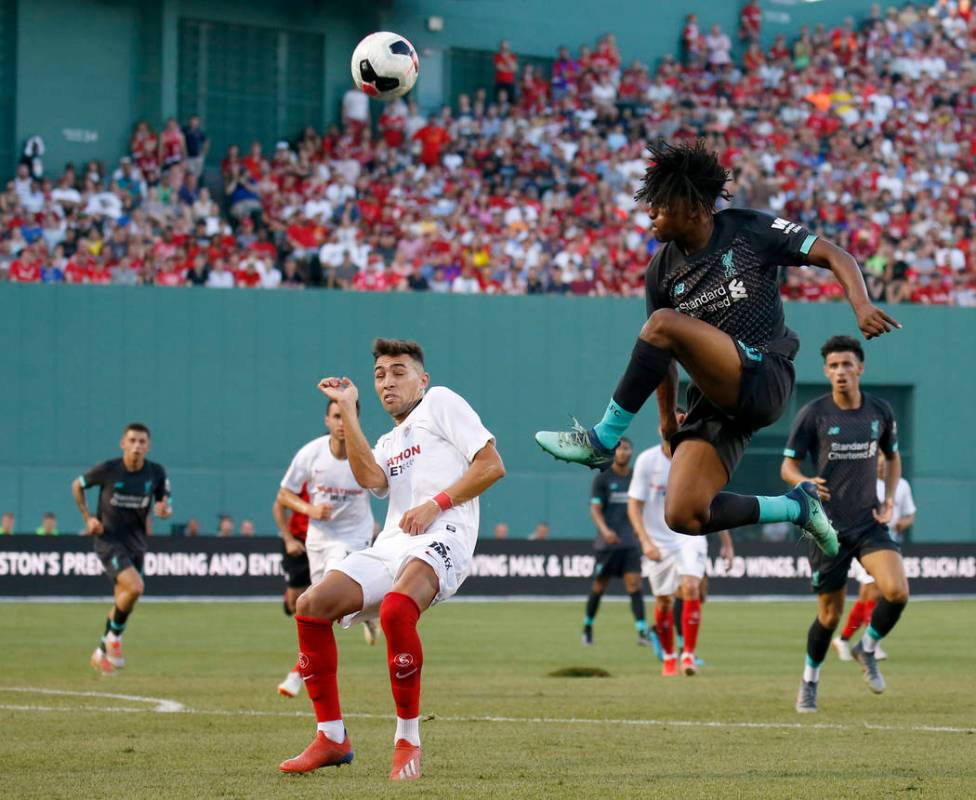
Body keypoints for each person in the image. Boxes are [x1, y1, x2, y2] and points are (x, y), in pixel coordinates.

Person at [536, 140, 902, 559]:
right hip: (715, 399)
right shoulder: (661, 270)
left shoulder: (748, 230)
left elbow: (833, 253)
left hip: (765, 375)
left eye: (660, 205)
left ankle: (602, 439)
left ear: (692, 207)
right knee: (685, 513)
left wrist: (860, 303)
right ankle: (796, 507)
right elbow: (661, 356)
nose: (650, 213)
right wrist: (666, 421)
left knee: (662, 324)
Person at [278, 338, 505, 780]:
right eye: (380, 374)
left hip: (446, 535)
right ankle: (331, 737)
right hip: (394, 544)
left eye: (399, 372)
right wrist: (345, 407)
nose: (387, 382)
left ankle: (408, 740)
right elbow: (371, 479)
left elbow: (492, 465)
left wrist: (436, 503)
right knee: (310, 606)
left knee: (398, 610)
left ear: (423, 379)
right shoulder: (387, 439)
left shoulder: (440, 403)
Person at [782, 336, 909, 712]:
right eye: (834, 366)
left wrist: (888, 500)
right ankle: (809, 680)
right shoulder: (814, 414)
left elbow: (893, 457)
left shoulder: (879, 412)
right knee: (829, 615)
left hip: (868, 522)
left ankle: (865, 647)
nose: (840, 372)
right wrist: (800, 481)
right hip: (827, 529)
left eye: (847, 365)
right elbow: (788, 465)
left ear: (860, 368)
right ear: (826, 371)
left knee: (897, 591)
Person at [274, 398, 379, 699]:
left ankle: (297, 674)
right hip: (318, 540)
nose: (342, 422)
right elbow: (283, 494)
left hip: (353, 540)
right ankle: (368, 611)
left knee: (322, 606)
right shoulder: (311, 453)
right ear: (327, 420)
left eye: (347, 416)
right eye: (336, 416)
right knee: (317, 609)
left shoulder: (368, 455)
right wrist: (308, 509)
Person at [628, 417, 733, 676]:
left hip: (690, 535)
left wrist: (727, 544)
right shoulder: (646, 461)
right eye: (668, 421)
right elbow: (634, 505)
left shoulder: (699, 458)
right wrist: (645, 540)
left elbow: (714, 503)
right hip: (658, 540)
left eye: (680, 421)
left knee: (691, 587)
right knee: (663, 602)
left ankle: (688, 654)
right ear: (660, 427)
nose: (673, 426)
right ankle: (668, 656)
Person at [71, 423, 171, 675]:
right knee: (136, 587)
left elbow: (164, 501)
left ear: (148, 446)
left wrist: (164, 509)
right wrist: (87, 518)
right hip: (109, 540)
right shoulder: (108, 470)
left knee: (124, 599)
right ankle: (114, 640)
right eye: (133, 440)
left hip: (136, 543)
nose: (137, 446)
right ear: (123, 443)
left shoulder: (156, 472)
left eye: (142, 442)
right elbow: (77, 485)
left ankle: (100, 651)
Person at [833, 455, 917, 663]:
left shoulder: (902, 485)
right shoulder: (864, 482)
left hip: (890, 546)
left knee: (869, 597)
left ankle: (844, 639)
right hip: (867, 545)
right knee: (873, 592)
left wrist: (901, 524)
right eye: (878, 459)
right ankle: (871, 645)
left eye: (884, 459)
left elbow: (909, 514)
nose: (881, 463)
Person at [582, 438, 656, 650]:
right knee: (599, 587)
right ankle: (587, 627)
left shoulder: (636, 477)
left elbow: (643, 505)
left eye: (627, 449)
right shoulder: (603, 479)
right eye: (619, 449)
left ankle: (642, 631)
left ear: (632, 452)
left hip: (630, 544)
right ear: (613, 453)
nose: (623, 453)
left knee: (635, 586)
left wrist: (642, 530)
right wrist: (605, 531)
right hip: (608, 545)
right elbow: (595, 509)